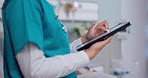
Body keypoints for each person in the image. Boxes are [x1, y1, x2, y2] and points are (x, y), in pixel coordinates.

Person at [2, 0, 112, 78]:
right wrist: (88, 54)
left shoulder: (43, 5)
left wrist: (86, 39)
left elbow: (55, 52)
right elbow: (35, 71)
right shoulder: (25, 3)